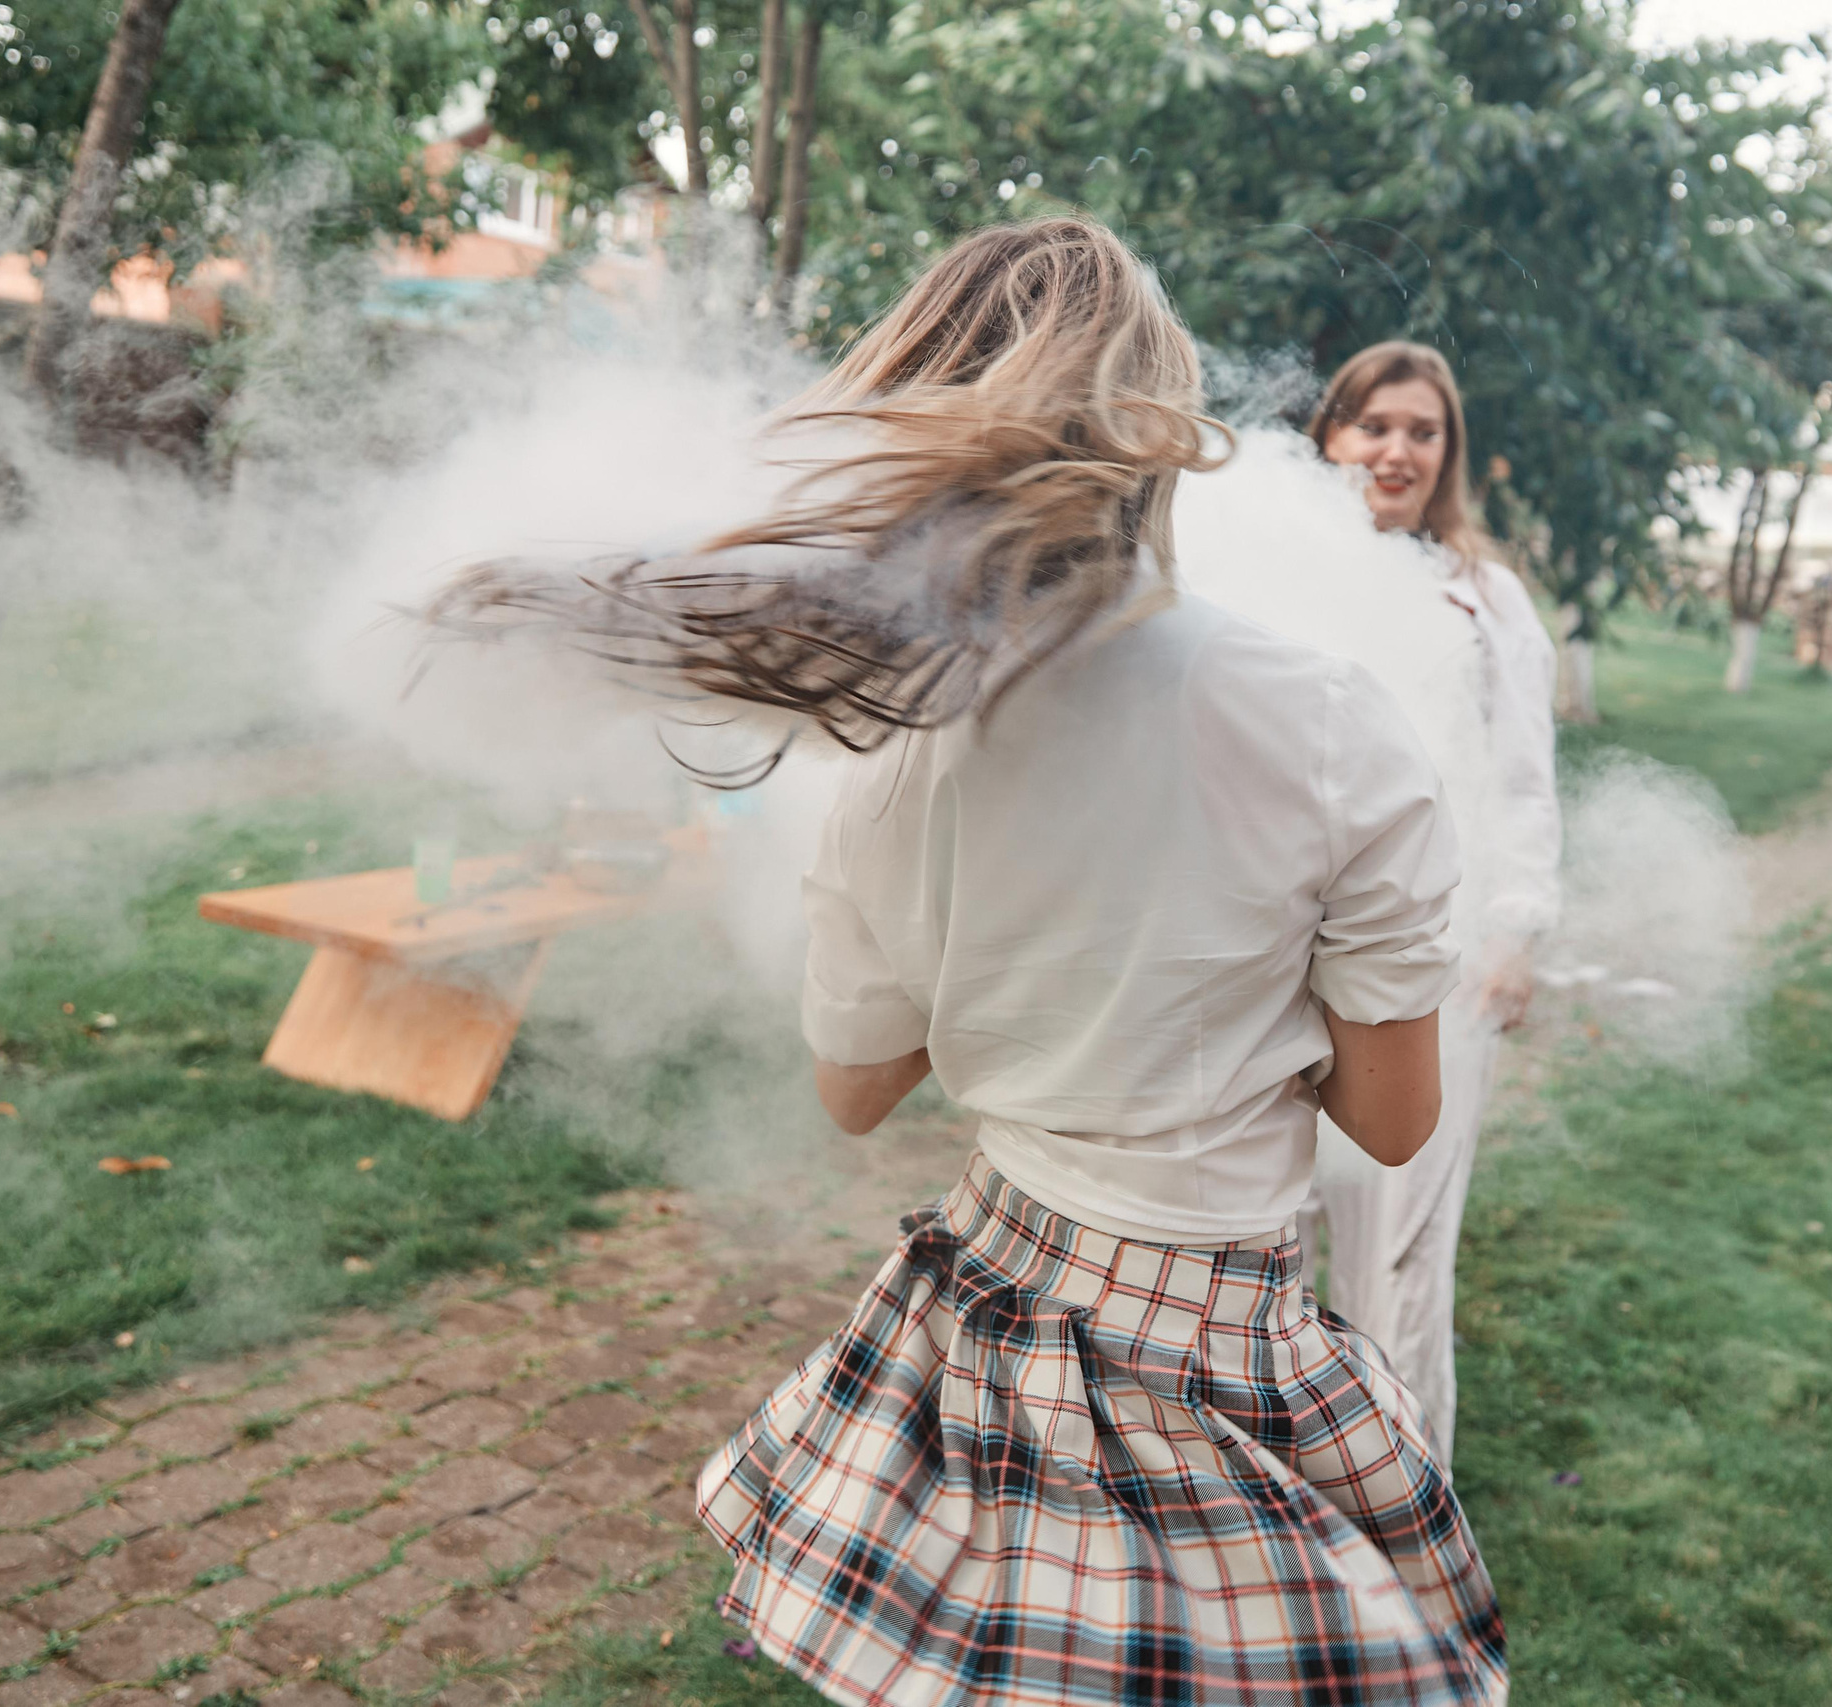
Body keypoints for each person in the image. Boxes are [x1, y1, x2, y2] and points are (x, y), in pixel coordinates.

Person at [433, 222, 1506, 1706]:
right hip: (1210, 1327)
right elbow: (1391, 1120)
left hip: (995, 1301)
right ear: (1158, 436)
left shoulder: (895, 758)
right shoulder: (1332, 717)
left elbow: (856, 1089)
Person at [1302, 341, 1563, 1463]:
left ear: (1449, 453)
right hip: (1278, 958)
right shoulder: (1280, 567)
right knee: (1260, 1240)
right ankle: (1260, 1510)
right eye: (1373, 426)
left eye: (1423, 431)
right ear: (1329, 435)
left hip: (1434, 961)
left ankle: (1397, 1507)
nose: (1395, 451)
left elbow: (1523, 780)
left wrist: (1515, 933)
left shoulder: (1486, 599)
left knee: (1396, 1254)